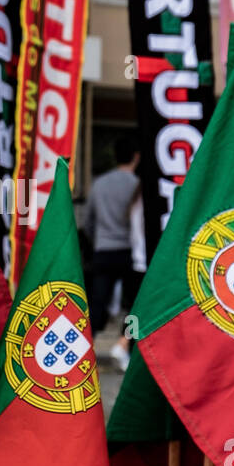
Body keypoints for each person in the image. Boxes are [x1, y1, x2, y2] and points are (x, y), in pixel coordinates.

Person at [84, 135, 141, 371]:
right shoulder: (137, 185)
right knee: (135, 305)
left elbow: (88, 220)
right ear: (136, 157)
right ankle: (126, 346)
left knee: (97, 303)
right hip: (131, 252)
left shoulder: (99, 184)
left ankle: (85, 348)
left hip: (103, 251)